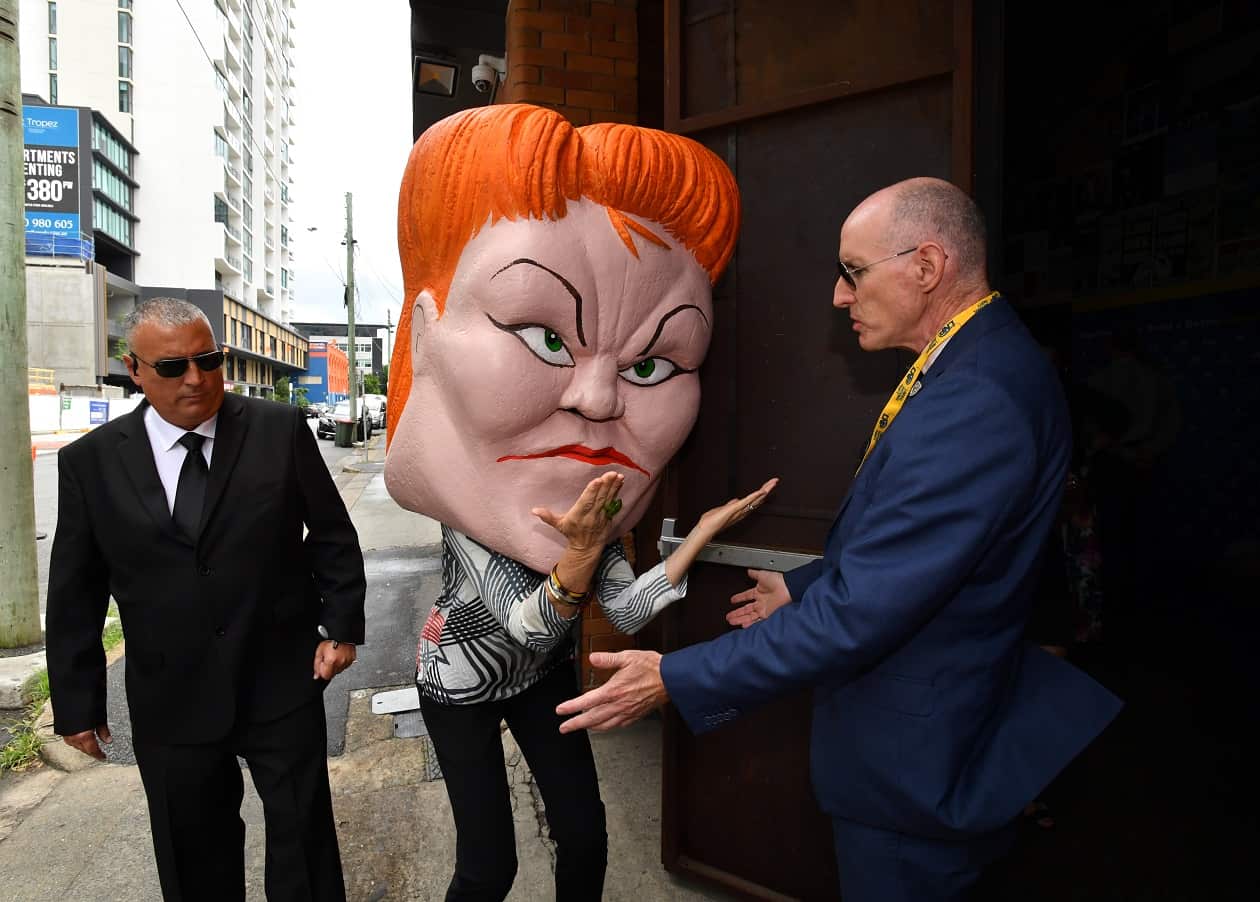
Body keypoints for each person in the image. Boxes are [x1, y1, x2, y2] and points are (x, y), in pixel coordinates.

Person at [556, 177, 1124, 901]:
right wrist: (802, 585)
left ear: (926, 266)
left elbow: (866, 610)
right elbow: (921, 550)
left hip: (918, 762)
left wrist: (675, 677)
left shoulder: (978, 396)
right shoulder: (972, 362)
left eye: (853, 271)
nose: (838, 294)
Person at [383, 104, 772, 900]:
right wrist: (581, 559)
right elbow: (527, 618)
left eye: (653, 364)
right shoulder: (485, 527)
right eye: (544, 335)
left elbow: (625, 612)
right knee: (489, 862)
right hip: (459, 680)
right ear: (426, 335)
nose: (597, 400)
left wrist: (693, 538)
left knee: (585, 833)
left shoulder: (585, 509)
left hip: (539, 678)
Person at [46, 297, 365, 901]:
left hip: (282, 680)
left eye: (208, 360)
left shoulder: (278, 430)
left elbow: (331, 536)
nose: (195, 379)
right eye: (172, 367)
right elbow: (74, 592)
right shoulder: (89, 464)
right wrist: (77, 703)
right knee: (194, 856)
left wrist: (340, 626)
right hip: (172, 698)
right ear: (133, 369)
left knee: (304, 841)